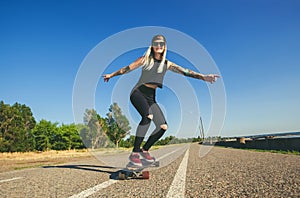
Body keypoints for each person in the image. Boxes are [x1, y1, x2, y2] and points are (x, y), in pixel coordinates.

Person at [103, 35, 220, 167]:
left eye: (162, 43)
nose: (159, 45)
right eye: (156, 43)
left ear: (164, 46)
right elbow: (126, 69)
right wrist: (111, 75)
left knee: (163, 127)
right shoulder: (145, 60)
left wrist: (204, 77)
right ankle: (134, 153)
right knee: (147, 116)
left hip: (151, 97)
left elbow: (186, 72)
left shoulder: (167, 64)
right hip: (138, 92)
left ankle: (144, 150)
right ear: (152, 45)